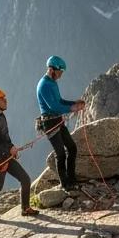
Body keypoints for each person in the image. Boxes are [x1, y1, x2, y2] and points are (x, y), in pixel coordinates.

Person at [0, 88, 38, 222]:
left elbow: (5, 137)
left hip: (6, 154)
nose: (6, 101)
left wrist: (12, 147)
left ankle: (25, 208)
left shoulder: (1, 116)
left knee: (25, 179)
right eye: (2, 99)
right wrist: (8, 150)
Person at [36, 56, 84, 192]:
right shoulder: (44, 85)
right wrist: (72, 108)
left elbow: (60, 101)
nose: (60, 75)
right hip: (50, 123)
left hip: (57, 120)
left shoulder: (52, 82)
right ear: (51, 69)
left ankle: (72, 179)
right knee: (60, 153)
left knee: (72, 147)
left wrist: (74, 103)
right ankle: (65, 184)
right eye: (59, 72)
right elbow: (54, 106)